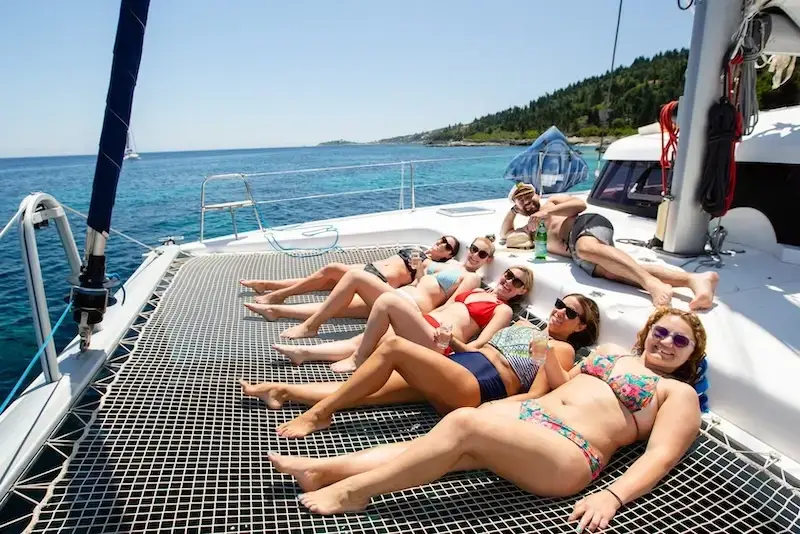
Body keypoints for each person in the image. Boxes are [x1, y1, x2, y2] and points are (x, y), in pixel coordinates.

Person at [268, 306, 707, 533]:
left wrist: (612, 497)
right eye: (661, 332)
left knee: (463, 424)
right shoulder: (611, 354)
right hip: (531, 420)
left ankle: (354, 493)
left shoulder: (678, 393)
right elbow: (561, 386)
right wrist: (546, 363)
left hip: (572, 453)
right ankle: (324, 471)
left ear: (691, 354)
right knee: (443, 446)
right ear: (646, 333)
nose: (667, 342)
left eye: (680, 340)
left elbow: (660, 458)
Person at [240, 294, 601, 440]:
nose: (559, 312)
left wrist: (494, 410)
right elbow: (480, 349)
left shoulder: (559, 349)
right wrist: (451, 344)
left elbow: (541, 391)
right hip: (459, 365)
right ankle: (283, 391)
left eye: (570, 313)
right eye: (558, 304)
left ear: (580, 327)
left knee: (395, 347)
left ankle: (320, 414)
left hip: (477, 388)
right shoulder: (525, 327)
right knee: (370, 390)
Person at [499, 185, 719, 311]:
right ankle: (693, 280)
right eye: (520, 201)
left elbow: (580, 205)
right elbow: (504, 234)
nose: (527, 201)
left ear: (537, 193)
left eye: (529, 195)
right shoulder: (530, 227)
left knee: (587, 248)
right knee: (614, 271)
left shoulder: (554, 202)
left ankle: (650, 284)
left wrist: (549, 212)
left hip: (585, 227)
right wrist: (513, 212)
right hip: (577, 254)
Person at [246, 236, 495, 340]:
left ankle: (311, 326)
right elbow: (420, 282)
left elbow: (451, 306)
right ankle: (278, 310)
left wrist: (431, 324)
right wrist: (420, 268)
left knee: (355, 277)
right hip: (400, 295)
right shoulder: (448, 264)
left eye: (482, 254)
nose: (475, 255)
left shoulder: (471, 277)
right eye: (473, 249)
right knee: (337, 307)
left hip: (412, 306)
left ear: (487, 260)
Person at [239, 235, 460, 304]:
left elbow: (420, 284)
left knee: (330, 269)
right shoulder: (418, 247)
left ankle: (278, 296)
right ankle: (267, 285)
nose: (441, 244)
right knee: (319, 280)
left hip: (379, 279)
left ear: (449, 254)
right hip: (368, 268)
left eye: (447, 246)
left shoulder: (434, 265)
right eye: (442, 240)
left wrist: (419, 269)